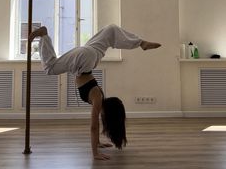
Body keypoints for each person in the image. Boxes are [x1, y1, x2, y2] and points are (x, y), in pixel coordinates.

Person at [29, 24, 161, 160]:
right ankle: (44, 35)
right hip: (85, 58)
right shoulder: (97, 99)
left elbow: (96, 125)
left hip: (93, 52)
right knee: (50, 68)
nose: (101, 116)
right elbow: (93, 127)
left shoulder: (100, 94)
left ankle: (140, 42)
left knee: (111, 30)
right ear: (108, 113)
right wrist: (95, 153)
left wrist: (98, 142)